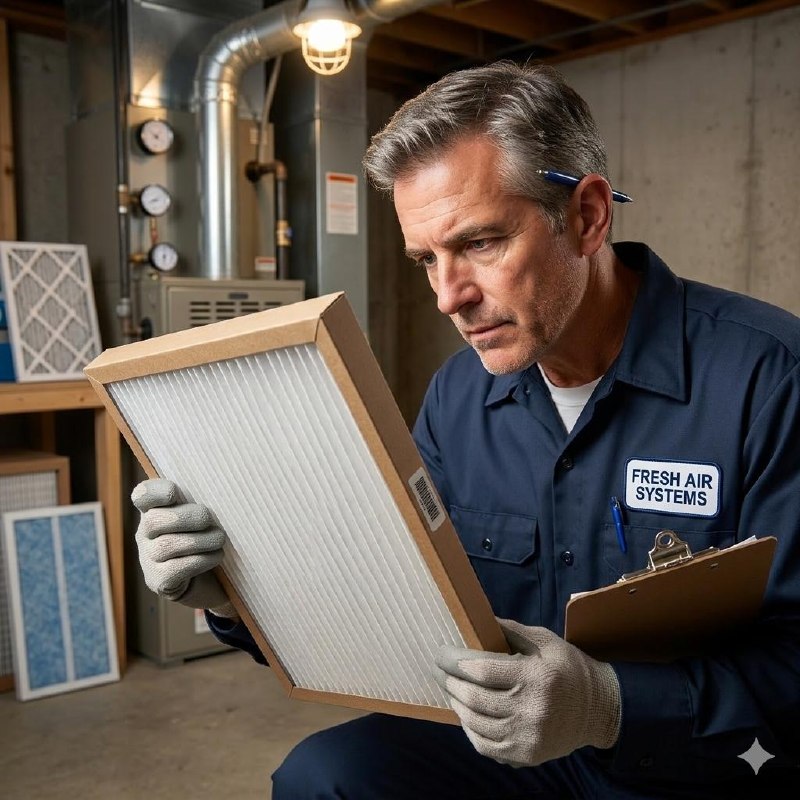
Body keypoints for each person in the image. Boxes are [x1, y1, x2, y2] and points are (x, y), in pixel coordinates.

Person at [132, 61, 800, 797]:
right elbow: (397, 601)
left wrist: (609, 705)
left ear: (587, 216)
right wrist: (233, 593)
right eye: (427, 259)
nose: (450, 297)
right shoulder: (459, 398)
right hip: (512, 754)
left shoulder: (769, 380)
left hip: (685, 765)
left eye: (480, 243)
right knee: (325, 778)